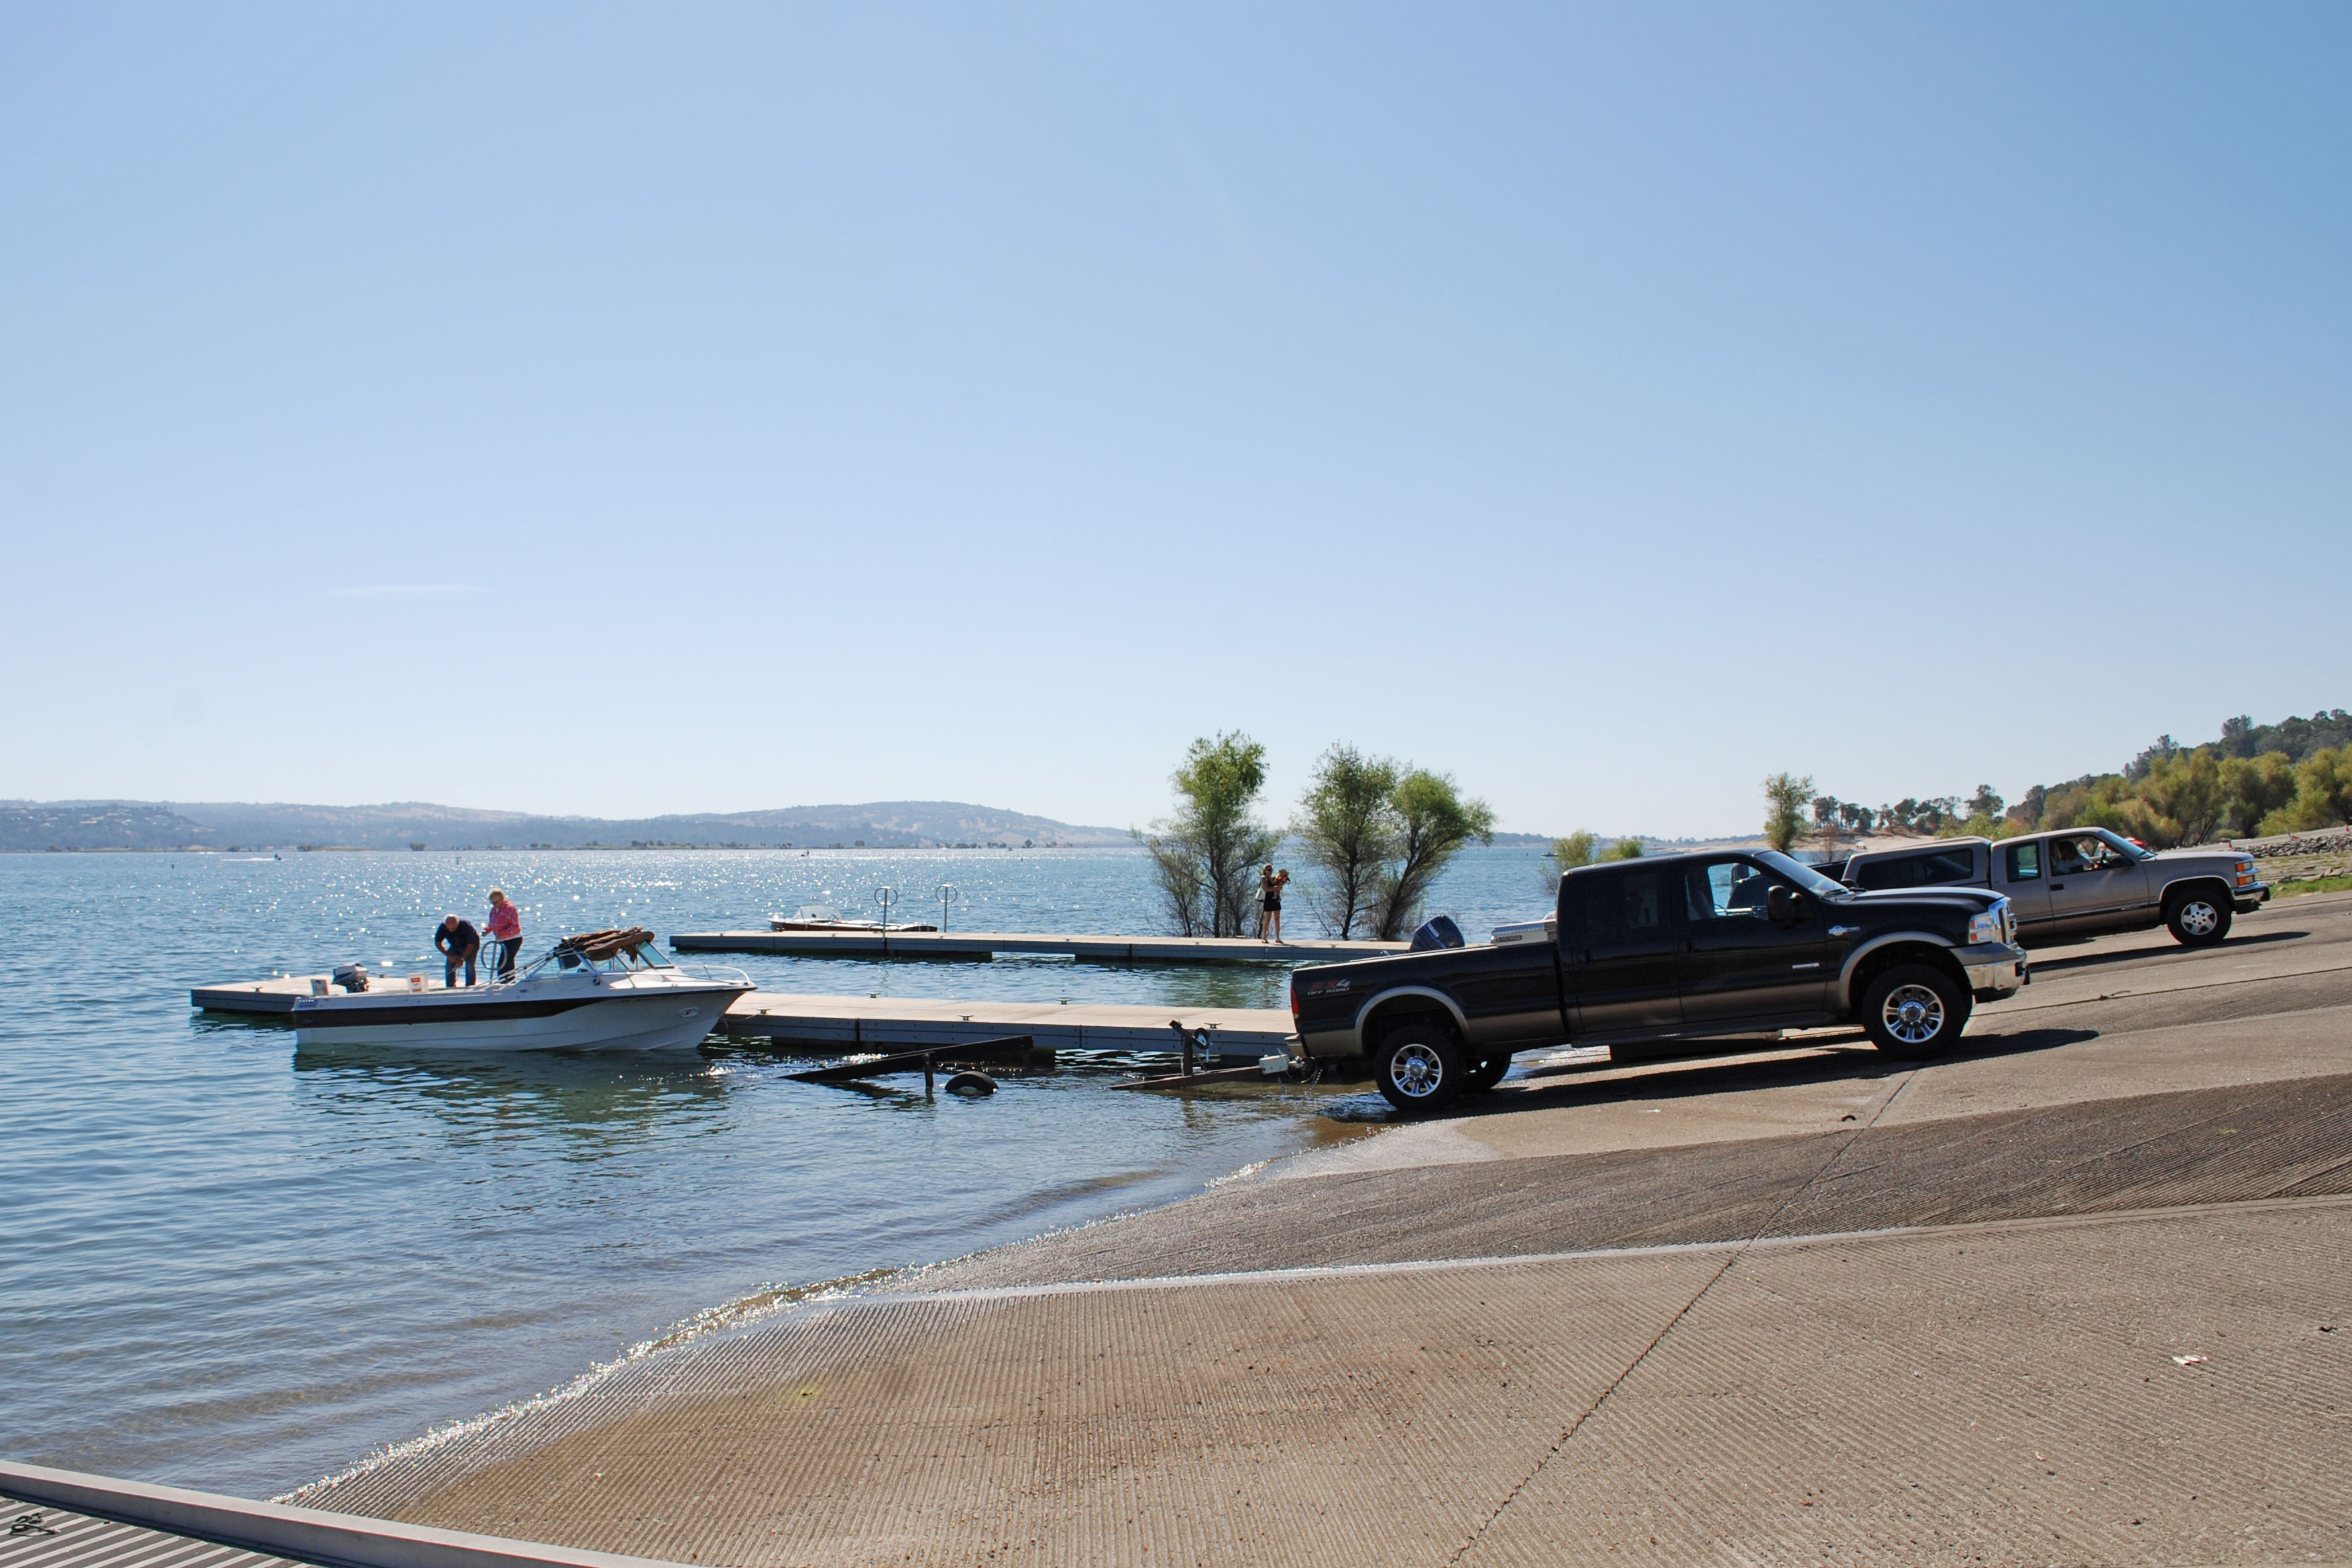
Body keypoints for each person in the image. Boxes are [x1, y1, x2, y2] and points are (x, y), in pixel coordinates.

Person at [435, 913, 482, 989]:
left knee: (470, 966)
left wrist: (462, 959)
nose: (450, 931)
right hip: (455, 945)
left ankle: (470, 986)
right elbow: (438, 943)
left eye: (453, 929)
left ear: (457, 924)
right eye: (449, 929)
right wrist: (449, 955)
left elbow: (471, 944)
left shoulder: (466, 926)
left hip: (471, 946)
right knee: (449, 966)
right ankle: (450, 987)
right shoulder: (443, 927)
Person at [484, 889, 523, 980]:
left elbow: (515, 926)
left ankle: (505, 982)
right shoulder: (495, 909)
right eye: (492, 903)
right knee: (508, 962)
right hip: (503, 941)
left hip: (513, 940)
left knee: (503, 963)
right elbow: (492, 923)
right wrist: (487, 930)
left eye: (496, 902)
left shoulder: (510, 909)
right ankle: (510, 982)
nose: (494, 905)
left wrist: (503, 934)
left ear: (502, 899)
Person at [1260, 864, 1291, 942]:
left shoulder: (1274, 878)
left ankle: (1277, 937)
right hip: (1268, 899)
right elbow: (1267, 889)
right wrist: (1276, 888)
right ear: (1265, 870)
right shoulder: (1264, 878)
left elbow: (1283, 879)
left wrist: (1280, 885)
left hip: (1276, 899)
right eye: (1268, 870)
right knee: (1268, 918)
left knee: (1277, 918)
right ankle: (1264, 937)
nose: (1270, 871)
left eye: (1271, 870)